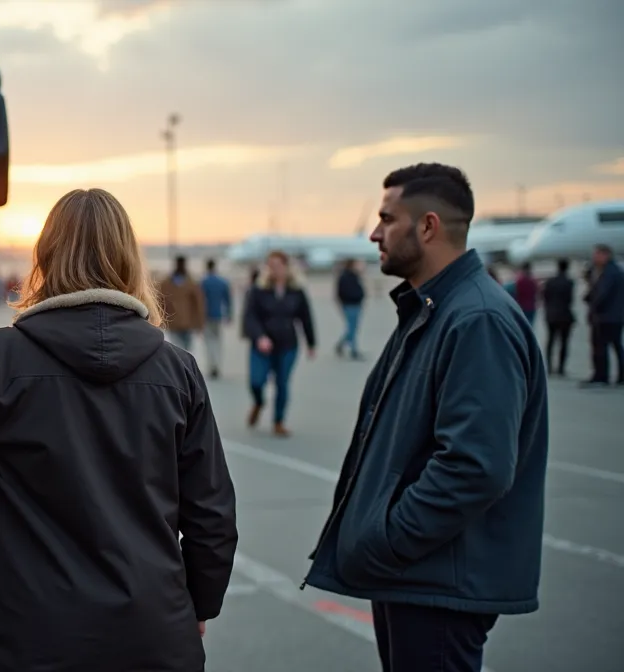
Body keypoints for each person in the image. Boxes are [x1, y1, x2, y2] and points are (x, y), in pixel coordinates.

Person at [0, 188, 238, 672]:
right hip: (153, 639)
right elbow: (212, 519)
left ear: (46, 258)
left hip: (24, 644)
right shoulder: (178, 372)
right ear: (127, 260)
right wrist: (197, 606)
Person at [304, 163, 548, 672]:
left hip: (437, 580)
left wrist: (387, 541)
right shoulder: (435, 309)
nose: (374, 233)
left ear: (429, 226)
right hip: (419, 574)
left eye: (386, 219)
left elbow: (475, 466)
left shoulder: (476, 319)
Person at [241, 250, 315, 437]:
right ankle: (258, 402)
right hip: (262, 345)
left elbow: (306, 318)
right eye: (270, 265)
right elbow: (249, 317)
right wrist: (259, 337)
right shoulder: (258, 290)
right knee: (256, 381)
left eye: (278, 265)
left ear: (286, 267)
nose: (274, 269)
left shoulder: (296, 291)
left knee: (282, 383)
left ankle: (279, 421)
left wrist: (311, 343)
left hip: (288, 345)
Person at [582, 243, 624, 386]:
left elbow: (602, 294)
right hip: (613, 316)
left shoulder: (609, 273)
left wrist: (592, 303)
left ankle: (601, 376)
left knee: (601, 347)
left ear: (605, 255)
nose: (594, 258)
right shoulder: (613, 270)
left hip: (606, 316)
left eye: (597, 254)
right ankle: (618, 376)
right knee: (616, 346)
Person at [159, 255, 206, 352]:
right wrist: (200, 323)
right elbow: (199, 304)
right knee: (183, 350)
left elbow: (160, 301)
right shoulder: (190, 282)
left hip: (179, 322)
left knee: (181, 350)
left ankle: (183, 366)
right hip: (181, 322)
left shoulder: (168, 282)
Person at [540, 258, 575, 376]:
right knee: (564, 342)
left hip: (551, 315)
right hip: (565, 315)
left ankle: (549, 366)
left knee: (550, 341)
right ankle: (561, 367)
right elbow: (570, 300)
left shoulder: (550, 282)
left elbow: (544, 297)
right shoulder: (569, 282)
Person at [200, 258, 233, 378]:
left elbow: (200, 301)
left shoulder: (203, 282)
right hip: (218, 315)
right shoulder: (222, 282)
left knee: (209, 342)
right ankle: (217, 365)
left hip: (206, 315)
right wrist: (229, 314)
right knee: (218, 341)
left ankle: (211, 365)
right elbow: (228, 300)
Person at [335, 259, 366, 359]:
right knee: (352, 327)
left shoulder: (354, 276)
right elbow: (341, 291)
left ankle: (341, 344)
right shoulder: (345, 277)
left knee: (352, 327)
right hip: (349, 304)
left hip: (355, 304)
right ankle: (353, 350)